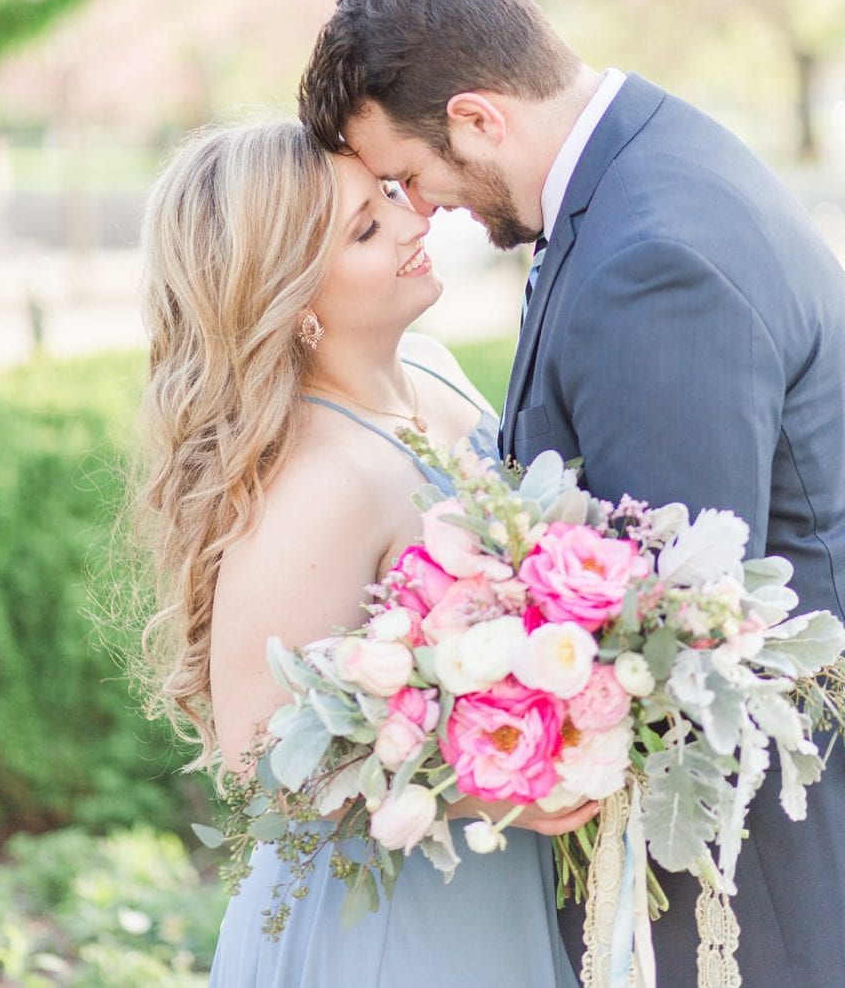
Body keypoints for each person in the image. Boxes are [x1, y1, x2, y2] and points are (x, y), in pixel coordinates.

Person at [295, 0, 845, 988]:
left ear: (479, 118)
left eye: (409, 175)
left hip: (753, 904)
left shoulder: (651, 258)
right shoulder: (645, 169)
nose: (420, 206)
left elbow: (662, 629)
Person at [134, 121, 595, 986]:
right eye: (365, 229)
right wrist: (483, 789)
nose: (414, 221)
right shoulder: (322, 482)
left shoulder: (432, 369)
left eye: (387, 196)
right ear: (292, 298)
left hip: (489, 886)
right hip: (386, 928)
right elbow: (262, 760)